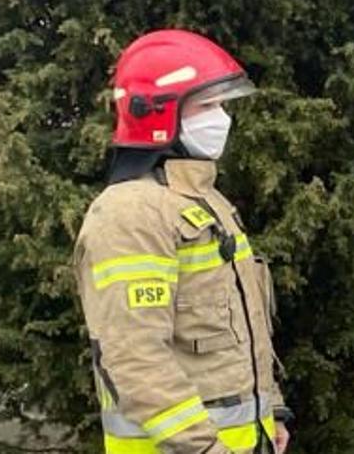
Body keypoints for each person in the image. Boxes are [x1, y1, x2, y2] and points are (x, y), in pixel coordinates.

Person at [75, 29, 289, 454]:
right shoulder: (130, 215)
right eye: (207, 105)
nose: (222, 118)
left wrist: (271, 412)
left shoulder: (208, 201)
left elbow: (239, 331)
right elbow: (135, 356)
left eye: (223, 105)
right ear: (157, 113)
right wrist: (205, 448)